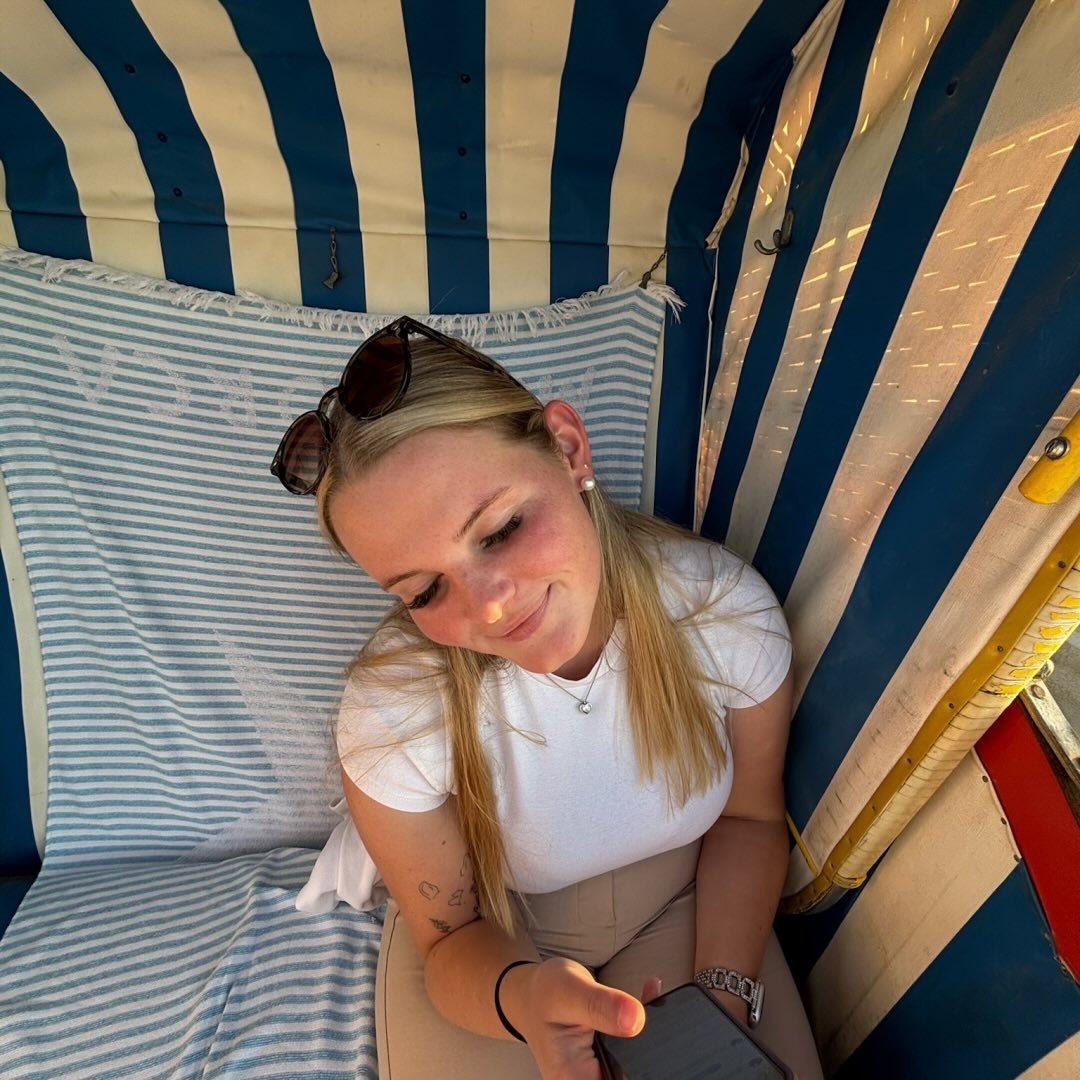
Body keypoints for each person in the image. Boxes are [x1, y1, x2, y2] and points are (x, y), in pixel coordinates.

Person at [272, 317, 823, 1080]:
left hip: (689, 903)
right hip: (494, 935)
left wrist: (722, 1003)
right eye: (425, 591)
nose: (491, 607)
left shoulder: (721, 616)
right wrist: (522, 999)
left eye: (500, 530)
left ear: (568, 448)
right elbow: (450, 935)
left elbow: (750, 820)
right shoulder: (396, 708)